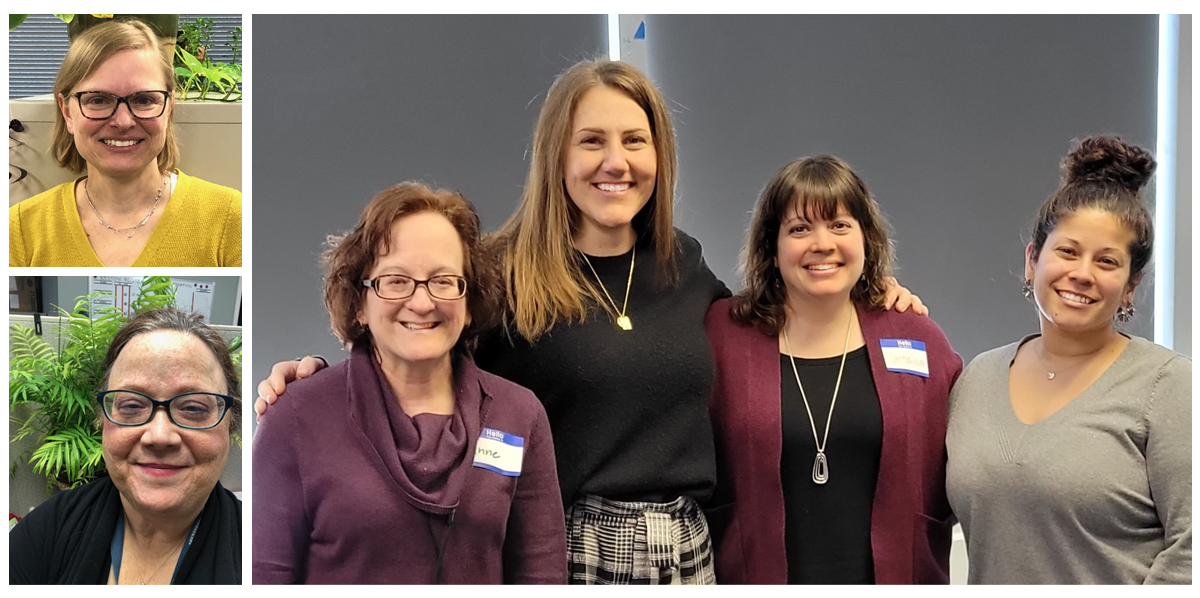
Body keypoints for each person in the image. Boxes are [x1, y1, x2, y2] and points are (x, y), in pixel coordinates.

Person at [255, 59, 923, 585]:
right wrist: (314, 373)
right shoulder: (504, 273)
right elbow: (413, 344)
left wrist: (866, 293)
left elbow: (768, 324)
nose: (616, 162)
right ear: (558, 157)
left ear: (658, 155)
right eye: (592, 141)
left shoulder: (681, 264)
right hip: (566, 551)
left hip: (689, 552)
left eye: (635, 140)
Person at [252, 182, 566, 584]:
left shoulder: (519, 415)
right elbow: (267, 579)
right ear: (360, 303)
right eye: (396, 280)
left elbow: (542, 577)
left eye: (443, 280)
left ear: (469, 303)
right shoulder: (296, 418)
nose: (421, 302)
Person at [945, 135, 1191, 584]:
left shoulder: (1169, 387)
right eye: (1068, 251)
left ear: (1130, 286)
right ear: (1032, 260)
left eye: (1107, 261)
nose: (1082, 273)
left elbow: (1191, 553)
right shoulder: (976, 379)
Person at [704, 156, 960, 584]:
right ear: (772, 248)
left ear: (866, 239)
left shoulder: (918, 337)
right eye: (800, 228)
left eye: (840, 225)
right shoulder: (723, 336)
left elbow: (964, 469)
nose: (822, 243)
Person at [9, 308, 242, 584]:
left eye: (193, 407)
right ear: (102, 419)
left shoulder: (259, 545)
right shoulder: (50, 528)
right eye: (131, 405)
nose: (159, 435)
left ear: (231, 421)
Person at [9, 20, 241, 267]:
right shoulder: (20, 230)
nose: (122, 121)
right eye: (98, 100)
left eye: (143, 99)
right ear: (67, 112)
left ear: (169, 108)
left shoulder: (232, 218)